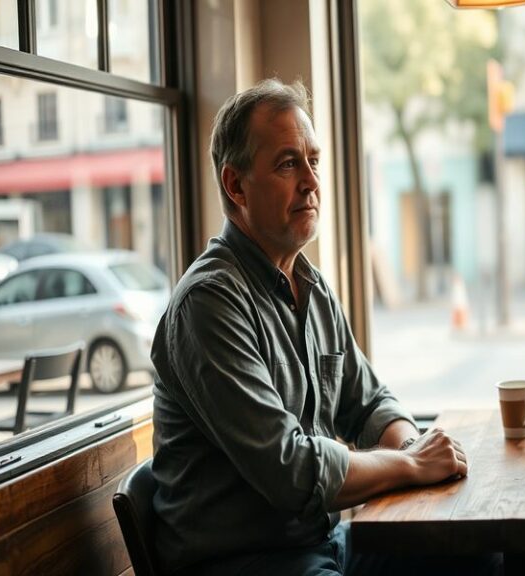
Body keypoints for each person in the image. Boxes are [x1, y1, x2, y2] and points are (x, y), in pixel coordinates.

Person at [150, 79, 502, 576]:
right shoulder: (208, 303)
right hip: (245, 563)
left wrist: (409, 446)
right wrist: (411, 466)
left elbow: (372, 403)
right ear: (236, 185)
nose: (312, 181)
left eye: (314, 160)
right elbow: (290, 471)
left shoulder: (309, 286)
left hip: (323, 544)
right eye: (288, 163)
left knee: (479, 550)